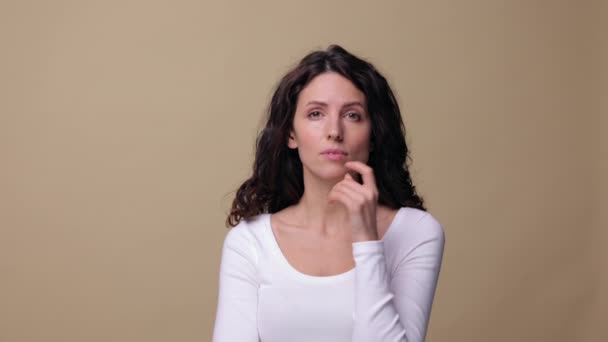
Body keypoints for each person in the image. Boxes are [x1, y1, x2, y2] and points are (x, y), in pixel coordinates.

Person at [212, 45, 445, 342]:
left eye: (352, 115)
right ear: (290, 134)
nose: (334, 130)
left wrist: (367, 240)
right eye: (316, 114)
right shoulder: (250, 241)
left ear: (373, 135)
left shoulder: (415, 231)